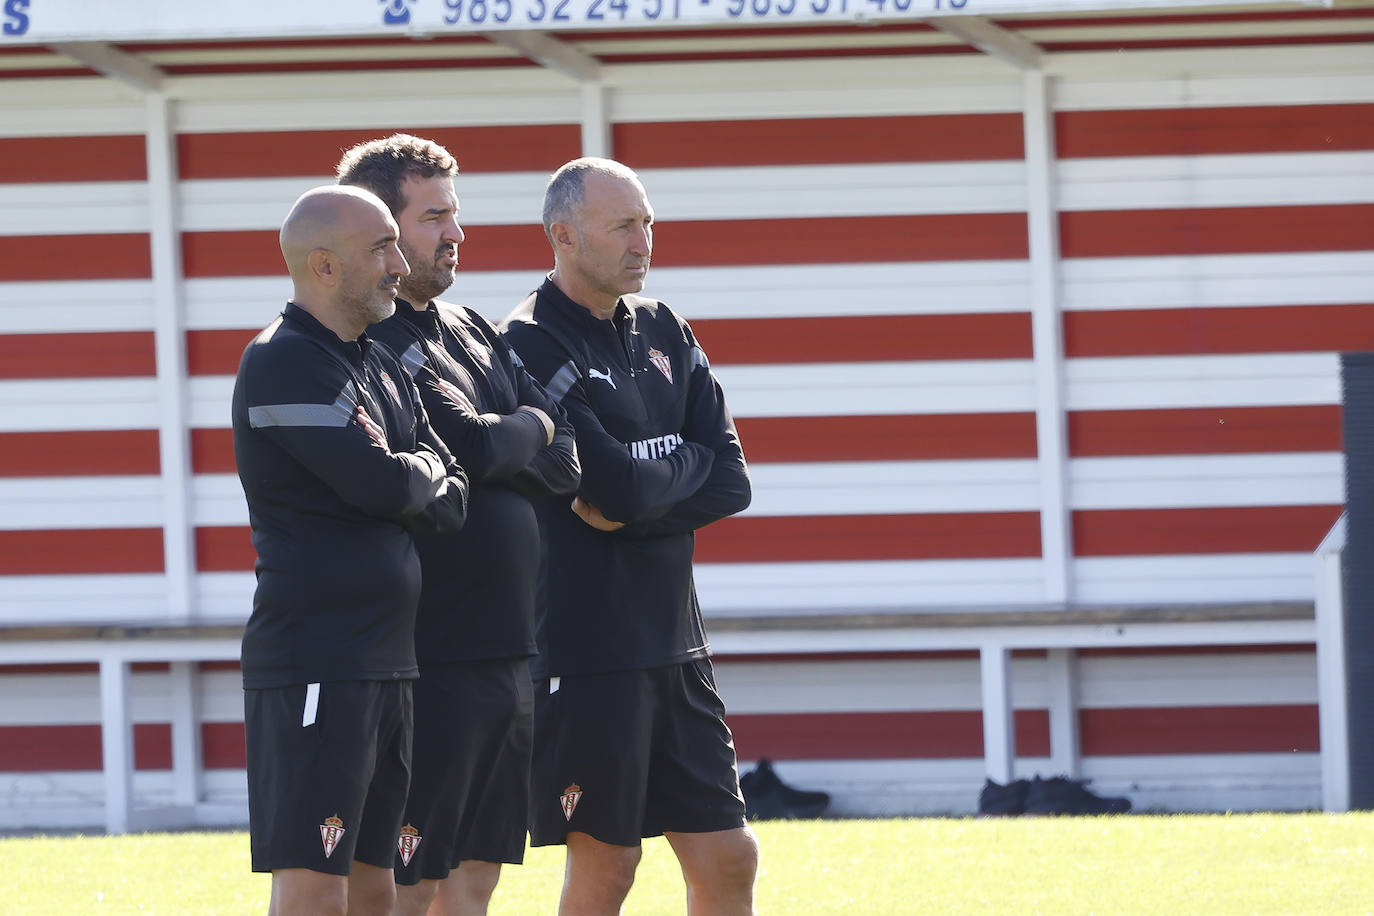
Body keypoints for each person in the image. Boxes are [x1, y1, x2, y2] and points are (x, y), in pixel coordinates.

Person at [502, 157, 758, 916]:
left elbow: (731, 479)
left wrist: (643, 488)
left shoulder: (665, 327)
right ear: (564, 234)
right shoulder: (528, 340)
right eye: (623, 225)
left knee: (729, 856)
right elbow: (604, 484)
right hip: (588, 650)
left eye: (646, 222)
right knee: (609, 866)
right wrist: (676, 465)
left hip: (677, 644)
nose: (642, 240)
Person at [336, 135, 581, 916]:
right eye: (434, 215)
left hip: (510, 646)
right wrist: (528, 427)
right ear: (381, 227)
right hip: (429, 652)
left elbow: (565, 456)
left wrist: (526, 430)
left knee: (478, 873)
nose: (454, 233)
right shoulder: (374, 340)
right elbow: (473, 444)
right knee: (414, 878)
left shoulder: (470, 327)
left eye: (456, 214)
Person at [231, 185, 469, 916]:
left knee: (377, 888)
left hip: (390, 664)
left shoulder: (379, 361)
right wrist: (417, 474)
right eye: (382, 248)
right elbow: (385, 486)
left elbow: (451, 493)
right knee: (315, 890)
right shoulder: (284, 363)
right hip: (316, 664)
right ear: (325, 267)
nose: (401, 262)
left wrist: (416, 474)